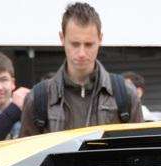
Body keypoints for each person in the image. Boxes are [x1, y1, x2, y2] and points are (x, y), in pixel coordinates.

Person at [19, 3, 143, 136]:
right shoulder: (37, 98)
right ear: (62, 38)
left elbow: (141, 150)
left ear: (100, 39)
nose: (82, 53)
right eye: (75, 44)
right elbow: (26, 153)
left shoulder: (126, 94)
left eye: (89, 44)